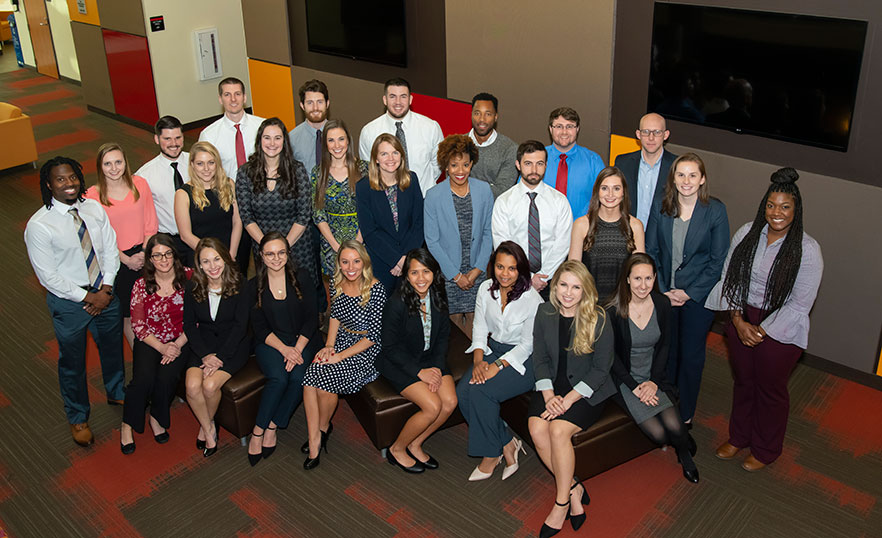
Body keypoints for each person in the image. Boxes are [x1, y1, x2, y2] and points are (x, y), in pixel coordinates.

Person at [706, 168, 823, 471]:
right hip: (741, 316)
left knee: (770, 389)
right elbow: (730, 278)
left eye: (785, 207)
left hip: (781, 326)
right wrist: (737, 320)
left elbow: (800, 303)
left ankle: (766, 448)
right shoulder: (746, 233)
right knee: (744, 382)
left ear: (796, 211)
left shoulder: (807, 250)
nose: (777, 213)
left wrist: (761, 331)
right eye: (771, 205)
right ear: (764, 206)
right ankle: (739, 437)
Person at [24, 157, 125, 447]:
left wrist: (106, 288)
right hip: (70, 304)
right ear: (48, 184)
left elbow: (109, 248)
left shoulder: (93, 208)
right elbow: (48, 277)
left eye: (72, 177)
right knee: (72, 363)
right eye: (60, 179)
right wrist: (88, 297)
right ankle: (78, 416)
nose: (69, 184)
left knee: (112, 347)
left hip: (104, 293)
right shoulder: (40, 226)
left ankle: (116, 390)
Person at [528, 260, 615, 537]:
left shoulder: (599, 317)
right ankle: (574, 487)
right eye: (563, 285)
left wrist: (568, 401)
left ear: (585, 290)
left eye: (576, 287)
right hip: (552, 385)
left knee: (557, 429)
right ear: (555, 287)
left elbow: (602, 369)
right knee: (536, 428)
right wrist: (550, 394)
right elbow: (539, 357)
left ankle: (561, 502)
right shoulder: (545, 311)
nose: (568, 292)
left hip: (587, 390)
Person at [645, 153, 729, 426]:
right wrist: (662, 289)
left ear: (702, 179)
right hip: (665, 294)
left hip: (697, 299)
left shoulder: (715, 210)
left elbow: (718, 261)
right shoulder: (661, 205)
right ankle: (665, 405)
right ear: (673, 178)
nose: (686, 181)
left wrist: (689, 292)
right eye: (680, 174)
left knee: (691, 357)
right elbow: (652, 251)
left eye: (693, 175)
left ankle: (686, 414)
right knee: (666, 353)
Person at [606, 253, 699, 483]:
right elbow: (611, 357)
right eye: (637, 278)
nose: (643, 285)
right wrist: (634, 386)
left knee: (675, 427)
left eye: (648, 278)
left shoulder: (662, 303)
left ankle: (684, 452)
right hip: (626, 379)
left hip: (654, 375)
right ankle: (681, 441)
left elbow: (665, 345)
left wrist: (654, 381)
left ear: (655, 278)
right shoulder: (613, 310)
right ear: (627, 279)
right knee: (658, 435)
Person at [457, 241, 542, 481]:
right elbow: (480, 327)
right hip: (493, 349)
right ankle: (506, 441)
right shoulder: (485, 289)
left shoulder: (532, 300)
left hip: (523, 360)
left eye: (511, 268)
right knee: (463, 391)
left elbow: (528, 345)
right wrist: (478, 361)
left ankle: (491, 454)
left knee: (482, 392)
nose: (505, 274)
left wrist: (497, 365)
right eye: (500, 267)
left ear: (521, 270)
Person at [301, 241, 386, 470]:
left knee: (325, 383)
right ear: (338, 263)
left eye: (356, 261)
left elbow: (373, 337)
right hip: (341, 341)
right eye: (345, 261)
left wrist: (339, 356)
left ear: (364, 263)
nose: (351, 267)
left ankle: (321, 429)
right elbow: (335, 317)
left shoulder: (376, 289)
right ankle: (315, 436)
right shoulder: (337, 283)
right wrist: (329, 345)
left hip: (365, 350)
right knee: (310, 379)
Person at [245, 232, 320, 466]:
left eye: (281, 252)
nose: (276, 258)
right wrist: (284, 350)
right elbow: (259, 327)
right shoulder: (252, 286)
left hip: (302, 339)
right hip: (270, 342)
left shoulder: (303, 276)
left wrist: (295, 349)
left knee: (299, 378)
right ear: (261, 255)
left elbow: (312, 318)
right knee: (278, 378)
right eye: (270, 253)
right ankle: (258, 431)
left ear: (288, 254)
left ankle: (273, 425)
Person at [377, 248, 455, 473]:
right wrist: (420, 372)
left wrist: (437, 368)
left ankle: (416, 442)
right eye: (414, 273)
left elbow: (443, 335)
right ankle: (397, 449)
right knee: (433, 406)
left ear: (434, 273)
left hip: (430, 357)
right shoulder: (396, 302)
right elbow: (389, 348)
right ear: (406, 276)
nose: (421, 278)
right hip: (399, 362)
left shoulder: (438, 294)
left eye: (426, 271)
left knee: (449, 402)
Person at [119, 233, 192, 454]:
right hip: (151, 340)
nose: (163, 260)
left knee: (167, 377)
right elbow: (138, 326)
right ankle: (127, 424)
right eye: (157, 255)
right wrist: (162, 347)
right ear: (150, 259)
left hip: (182, 339)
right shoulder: (141, 285)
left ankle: (157, 418)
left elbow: (198, 319)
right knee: (142, 379)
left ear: (174, 255)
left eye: (167, 254)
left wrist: (177, 345)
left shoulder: (190, 277)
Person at [182, 238, 252, 457]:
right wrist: (204, 354)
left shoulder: (240, 283)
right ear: (199, 265)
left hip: (233, 345)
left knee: (210, 386)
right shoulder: (193, 285)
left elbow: (241, 327)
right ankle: (209, 428)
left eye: (216, 259)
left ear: (225, 258)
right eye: (206, 261)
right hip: (203, 345)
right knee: (193, 387)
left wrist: (220, 357)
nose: (212, 266)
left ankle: (206, 427)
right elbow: (188, 325)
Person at [86, 142, 158, 346]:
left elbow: (150, 222)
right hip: (116, 259)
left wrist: (145, 252)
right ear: (100, 167)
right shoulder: (91, 197)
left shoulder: (140, 184)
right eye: (107, 164)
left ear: (125, 162)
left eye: (118, 162)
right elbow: (97, 237)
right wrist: (125, 259)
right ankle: (139, 354)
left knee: (153, 305)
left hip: (146, 253)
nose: (114, 168)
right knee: (129, 313)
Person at [236, 117, 318, 293]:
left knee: (302, 293)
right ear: (260, 140)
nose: (272, 143)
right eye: (267, 137)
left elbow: (304, 214)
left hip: (297, 244)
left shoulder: (297, 170)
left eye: (277, 138)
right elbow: (246, 216)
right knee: (269, 295)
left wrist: (283, 249)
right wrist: (269, 250)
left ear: (284, 141)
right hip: (262, 245)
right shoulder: (245, 173)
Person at [424, 134, 494, 337]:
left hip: (476, 268)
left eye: (465, 164)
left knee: (476, 317)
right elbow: (432, 240)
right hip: (448, 270)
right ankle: (461, 362)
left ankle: (476, 361)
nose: (460, 171)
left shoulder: (484, 191)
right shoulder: (433, 196)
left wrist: (477, 270)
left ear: (472, 163)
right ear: (446, 166)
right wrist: (455, 275)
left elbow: (489, 233)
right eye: (454, 165)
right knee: (453, 321)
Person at [199, 77, 265, 273]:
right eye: (227, 95)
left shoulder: (261, 127)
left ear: (245, 97)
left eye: (237, 94)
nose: (233, 99)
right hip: (229, 206)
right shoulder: (209, 135)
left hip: (262, 201)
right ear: (220, 99)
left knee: (268, 260)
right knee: (236, 265)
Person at [492, 140, 572, 301]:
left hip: (551, 281)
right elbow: (503, 245)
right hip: (514, 279)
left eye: (539, 163)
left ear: (546, 165)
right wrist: (527, 277)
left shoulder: (559, 201)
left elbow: (563, 243)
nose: (534, 170)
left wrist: (541, 277)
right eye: (528, 163)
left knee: (549, 325)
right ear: (518, 165)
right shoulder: (504, 201)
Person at [356, 133, 425, 292]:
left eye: (395, 152)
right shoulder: (363, 187)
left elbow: (418, 223)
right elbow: (369, 231)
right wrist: (395, 259)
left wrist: (404, 259)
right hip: (381, 262)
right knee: (383, 312)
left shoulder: (412, 179)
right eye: (384, 153)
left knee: (409, 311)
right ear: (376, 159)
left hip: (410, 259)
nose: (391, 158)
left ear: (401, 155)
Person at [568, 166, 644, 301]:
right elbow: (574, 272)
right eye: (604, 188)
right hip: (589, 303)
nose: (610, 194)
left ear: (623, 192)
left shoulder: (635, 226)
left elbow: (640, 273)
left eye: (616, 188)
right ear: (597, 191)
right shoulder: (581, 224)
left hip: (624, 304)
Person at [358, 77, 443, 195]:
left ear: (410, 99)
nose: (398, 102)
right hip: (386, 200)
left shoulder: (430, 127)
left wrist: (423, 184)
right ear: (384, 99)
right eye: (392, 96)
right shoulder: (369, 132)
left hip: (424, 198)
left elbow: (438, 164)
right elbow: (369, 169)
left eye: (403, 96)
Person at [312, 119, 368, 289]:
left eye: (341, 139)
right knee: (338, 296)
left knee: (364, 293)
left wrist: (357, 244)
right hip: (332, 244)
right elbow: (318, 213)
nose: (337, 145)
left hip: (362, 240)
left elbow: (371, 211)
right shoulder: (318, 172)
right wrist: (335, 246)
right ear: (325, 144)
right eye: (331, 140)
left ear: (348, 141)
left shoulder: (364, 169)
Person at [174, 141, 242, 268]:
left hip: (228, 255)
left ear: (217, 164)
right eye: (200, 164)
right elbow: (185, 235)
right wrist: (212, 258)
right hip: (201, 259)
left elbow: (237, 221)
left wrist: (231, 255)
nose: (206, 168)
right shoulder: (183, 194)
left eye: (211, 163)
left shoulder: (229, 184)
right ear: (192, 165)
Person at [135, 116, 189, 256]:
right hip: (168, 242)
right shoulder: (144, 175)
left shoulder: (197, 163)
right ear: (157, 139)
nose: (174, 143)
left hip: (198, 235)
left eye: (178, 137)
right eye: (167, 139)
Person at [613, 113, 678, 228]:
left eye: (657, 132)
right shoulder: (622, 163)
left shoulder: (677, 166)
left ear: (666, 135)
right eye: (646, 132)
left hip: (660, 240)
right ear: (638, 134)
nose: (651, 138)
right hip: (627, 234)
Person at [544, 107, 606, 218]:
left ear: (577, 129)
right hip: (543, 229)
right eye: (559, 126)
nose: (564, 132)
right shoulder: (537, 158)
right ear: (550, 129)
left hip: (582, 229)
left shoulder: (593, 161)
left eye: (570, 126)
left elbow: (605, 197)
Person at [467, 92, 518, 198]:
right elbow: (452, 184)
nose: (482, 119)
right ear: (471, 114)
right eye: (477, 113)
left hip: (494, 212)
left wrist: (465, 188)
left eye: (488, 114)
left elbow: (502, 190)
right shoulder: (456, 145)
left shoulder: (510, 149)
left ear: (495, 117)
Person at [288, 78, 330, 175]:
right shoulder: (292, 139)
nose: (315, 108)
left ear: (327, 104)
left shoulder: (340, 137)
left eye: (320, 102)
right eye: (310, 103)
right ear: (302, 106)